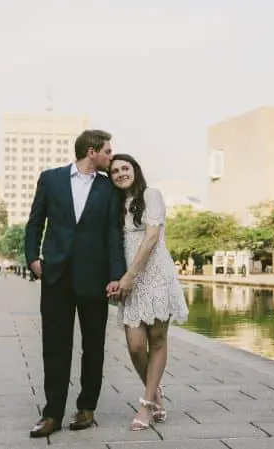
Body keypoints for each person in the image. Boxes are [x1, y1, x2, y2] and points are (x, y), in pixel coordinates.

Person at [24, 129, 126, 439]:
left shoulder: (109, 188)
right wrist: (33, 259)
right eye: (108, 151)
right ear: (92, 151)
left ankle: (86, 409)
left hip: (94, 278)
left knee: (94, 345)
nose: (112, 156)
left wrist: (116, 275)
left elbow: (113, 233)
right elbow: (35, 222)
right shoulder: (51, 178)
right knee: (55, 345)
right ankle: (52, 413)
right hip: (55, 276)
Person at [108, 153, 189, 431]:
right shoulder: (116, 204)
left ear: (135, 169)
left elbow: (152, 237)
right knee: (134, 345)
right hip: (130, 279)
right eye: (114, 171)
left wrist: (130, 275)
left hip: (155, 275)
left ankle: (145, 405)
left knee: (157, 340)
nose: (120, 173)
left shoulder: (151, 195)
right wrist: (121, 277)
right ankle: (155, 392)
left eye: (124, 168)